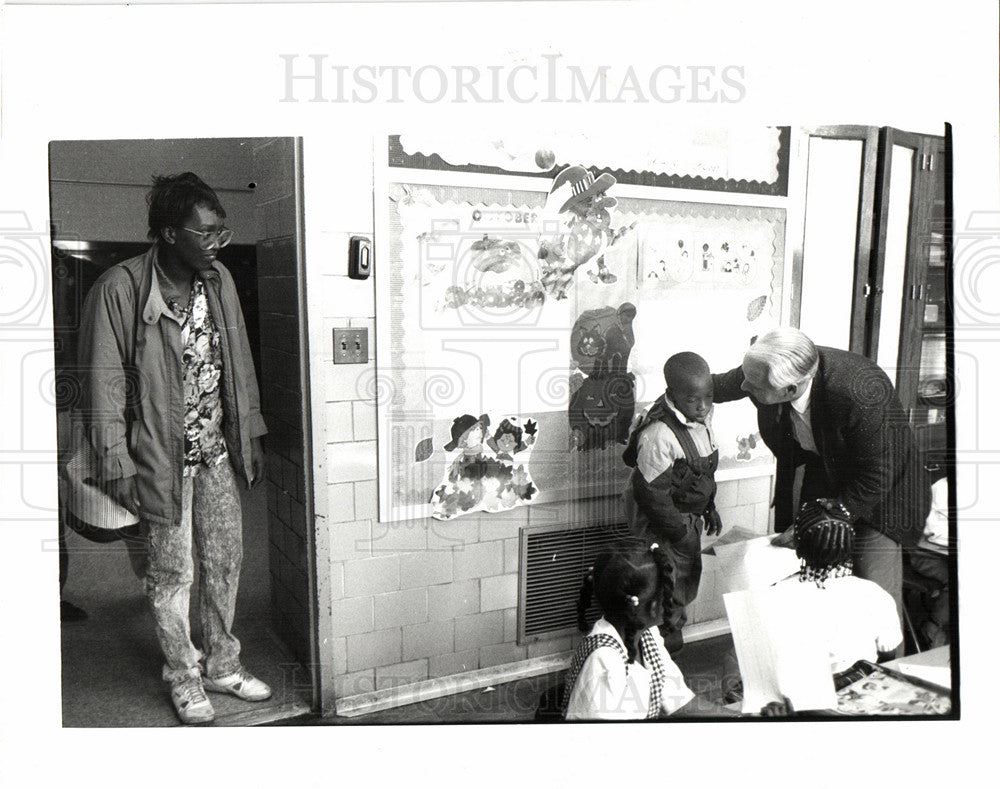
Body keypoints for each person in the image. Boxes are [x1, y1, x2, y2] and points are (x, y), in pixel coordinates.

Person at [77, 172, 270, 724]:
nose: (215, 243)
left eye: (221, 234)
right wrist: (117, 463)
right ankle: (184, 674)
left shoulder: (220, 281)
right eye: (205, 233)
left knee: (225, 559)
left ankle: (223, 664)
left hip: (213, 451)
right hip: (156, 459)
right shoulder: (120, 288)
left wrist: (248, 434)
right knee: (170, 572)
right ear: (168, 234)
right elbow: (103, 384)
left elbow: (239, 364)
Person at [712, 327, 931, 622]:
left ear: (790, 389)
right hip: (825, 474)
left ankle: (887, 664)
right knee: (804, 578)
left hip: (883, 494)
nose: (743, 386)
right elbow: (712, 385)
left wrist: (819, 523)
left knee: (873, 596)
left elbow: (876, 476)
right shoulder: (765, 369)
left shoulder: (861, 390)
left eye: (752, 385)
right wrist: (672, 401)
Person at [561, 542, 783, 720]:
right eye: (667, 594)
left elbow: (678, 700)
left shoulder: (647, 635)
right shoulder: (603, 662)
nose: (674, 601)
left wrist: (744, 718)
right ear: (652, 606)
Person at [622, 352, 723, 653]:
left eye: (709, 396)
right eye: (693, 399)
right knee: (660, 583)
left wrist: (709, 506)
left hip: (685, 519)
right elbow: (650, 493)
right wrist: (679, 532)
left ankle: (669, 636)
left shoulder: (700, 417)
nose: (703, 406)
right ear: (673, 394)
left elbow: (700, 471)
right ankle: (652, 647)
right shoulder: (659, 435)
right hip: (663, 523)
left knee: (684, 579)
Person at [780, 499, 902, 674]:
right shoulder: (874, 594)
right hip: (857, 687)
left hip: (802, 690)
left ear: (797, 548)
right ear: (851, 547)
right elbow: (887, 654)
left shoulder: (779, 593)